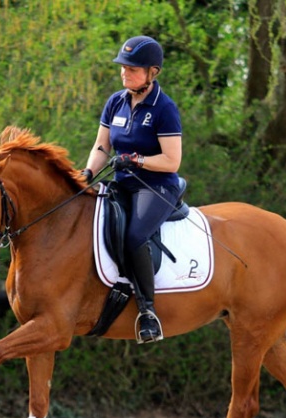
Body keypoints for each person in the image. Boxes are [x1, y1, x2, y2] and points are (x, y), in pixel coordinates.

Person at [82, 35, 183, 344]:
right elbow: (102, 146)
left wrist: (136, 160)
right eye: (123, 68)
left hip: (156, 186)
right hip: (122, 182)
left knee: (134, 235)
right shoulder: (116, 101)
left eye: (133, 69)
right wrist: (86, 173)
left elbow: (171, 161)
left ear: (152, 72)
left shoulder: (164, 108)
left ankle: (148, 312)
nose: (125, 73)